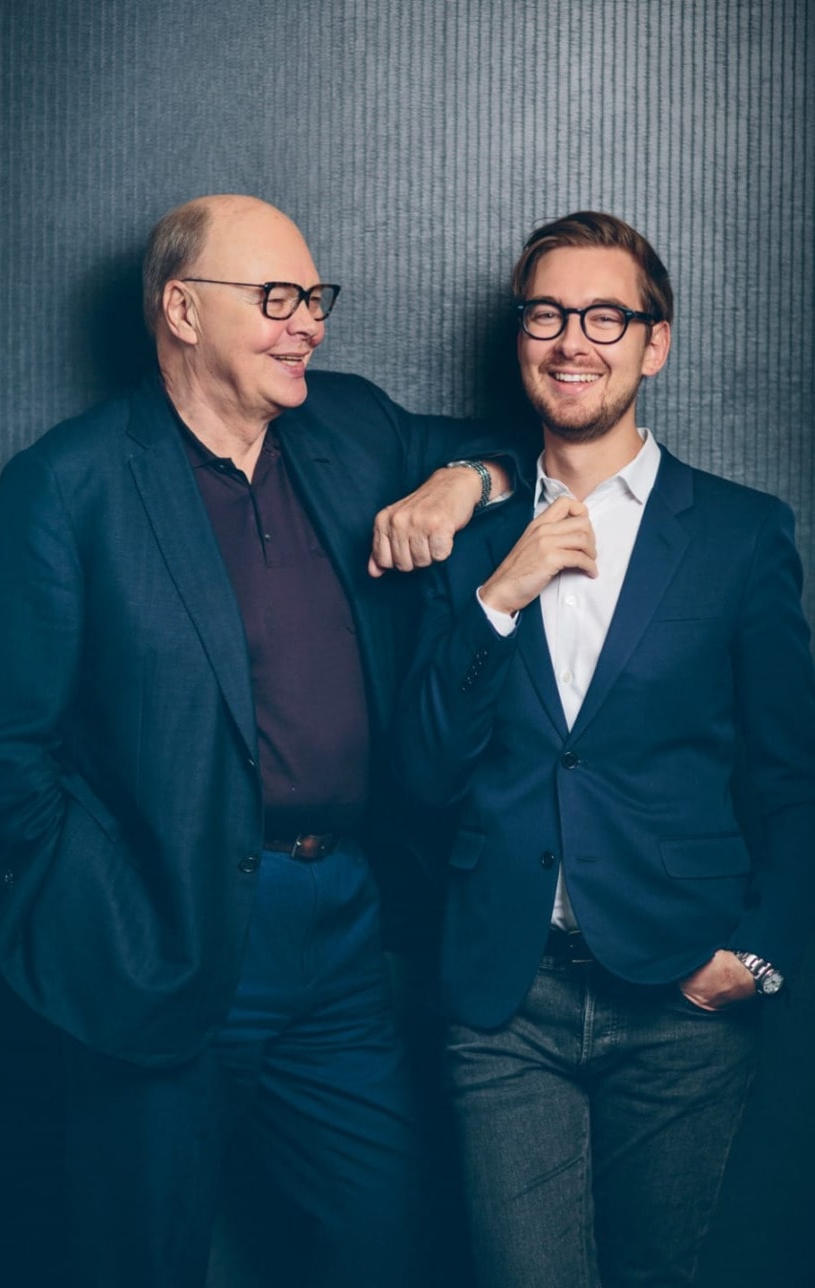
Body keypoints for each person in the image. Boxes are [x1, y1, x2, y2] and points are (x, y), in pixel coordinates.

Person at [0, 193, 513, 1288]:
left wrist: (462, 480)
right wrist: (102, 924)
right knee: (140, 1258)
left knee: (382, 1247)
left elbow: (506, 448)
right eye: (275, 297)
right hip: (163, 931)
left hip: (347, 933)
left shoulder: (351, 428)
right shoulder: (66, 486)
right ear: (180, 309)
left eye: (314, 297)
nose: (306, 321)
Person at [393, 211, 815, 1287]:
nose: (570, 340)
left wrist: (754, 955)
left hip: (680, 999)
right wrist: (496, 599)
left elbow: (791, 774)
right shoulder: (469, 539)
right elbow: (421, 774)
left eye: (602, 316)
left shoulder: (740, 534)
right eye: (546, 313)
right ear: (520, 335)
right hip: (504, 1004)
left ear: (652, 342)